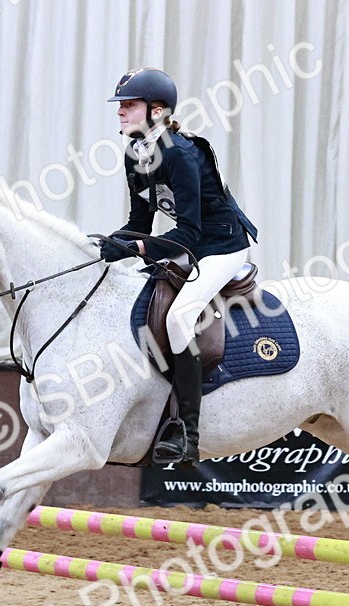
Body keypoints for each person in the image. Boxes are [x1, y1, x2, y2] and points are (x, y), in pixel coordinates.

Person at [100, 67, 258, 465]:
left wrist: (136, 247)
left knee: (178, 318)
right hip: (191, 243)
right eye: (120, 105)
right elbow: (140, 223)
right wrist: (109, 243)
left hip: (222, 245)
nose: (120, 111)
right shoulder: (134, 153)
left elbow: (188, 232)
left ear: (156, 111)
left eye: (129, 105)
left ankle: (187, 431)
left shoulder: (180, 153)